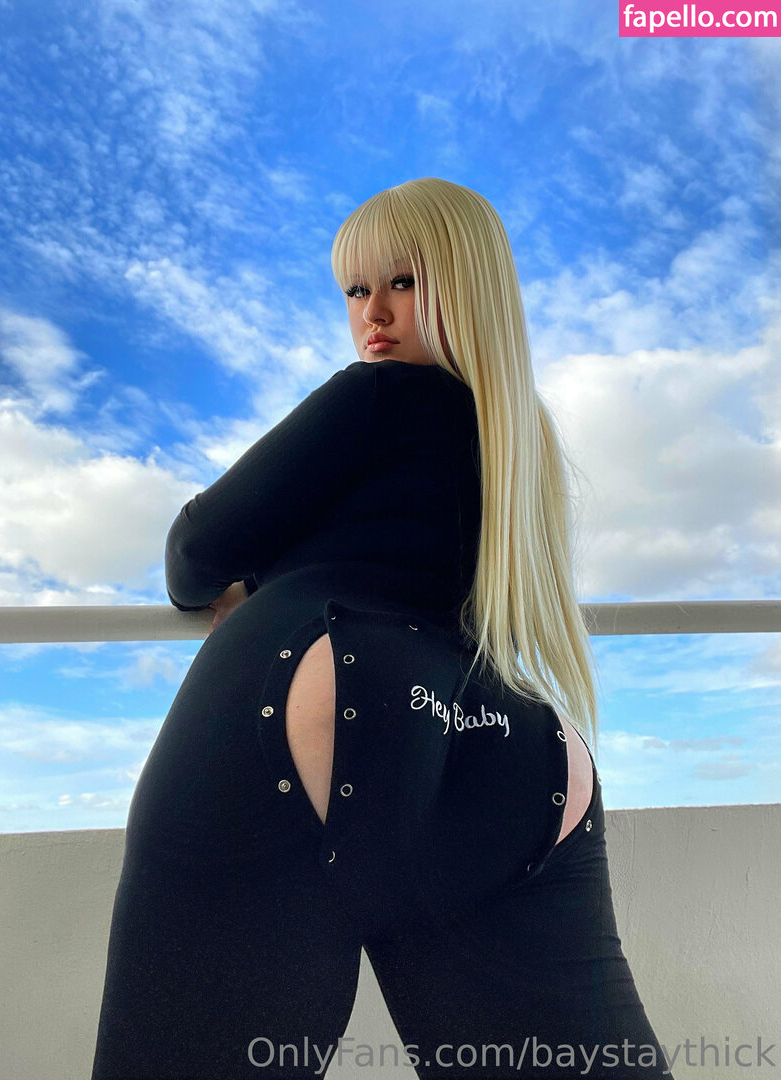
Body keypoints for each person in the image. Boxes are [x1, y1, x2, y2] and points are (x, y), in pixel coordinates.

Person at [90, 178, 674, 1079]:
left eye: (403, 281)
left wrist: (261, 580)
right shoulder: (522, 441)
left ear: (468, 286)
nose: (373, 313)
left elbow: (193, 554)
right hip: (504, 737)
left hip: (318, 689)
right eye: (356, 290)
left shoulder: (372, 398)